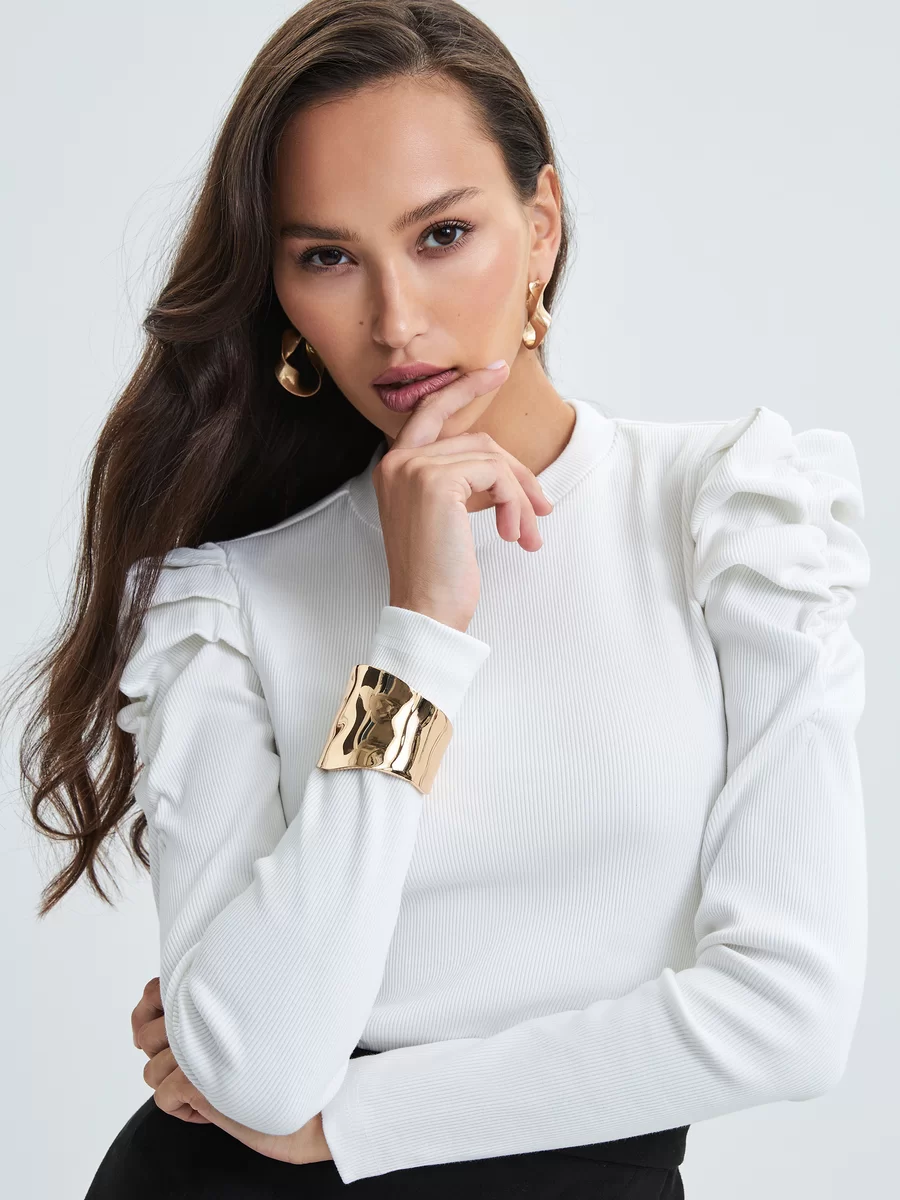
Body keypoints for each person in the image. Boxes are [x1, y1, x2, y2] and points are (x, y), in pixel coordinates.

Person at [4, 2, 870, 1197]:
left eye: (443, 234)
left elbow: (791, 1016)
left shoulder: (729, 513)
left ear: (540, 225)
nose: (396, 322)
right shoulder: (228, 601)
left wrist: (358, 1119)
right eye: (327, 258)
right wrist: (415, 636)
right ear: (281, 293)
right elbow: (259, 1071)